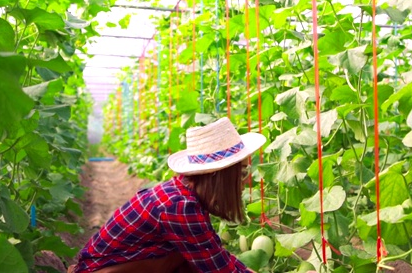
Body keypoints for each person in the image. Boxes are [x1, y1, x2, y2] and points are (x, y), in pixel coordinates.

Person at [69, 117, 266, 273]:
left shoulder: (184, 194)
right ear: (219, 175)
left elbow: (212, 254)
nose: (246, 181)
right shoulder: (179, 206)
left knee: (186, 258)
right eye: (242, 173)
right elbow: (218, 268)